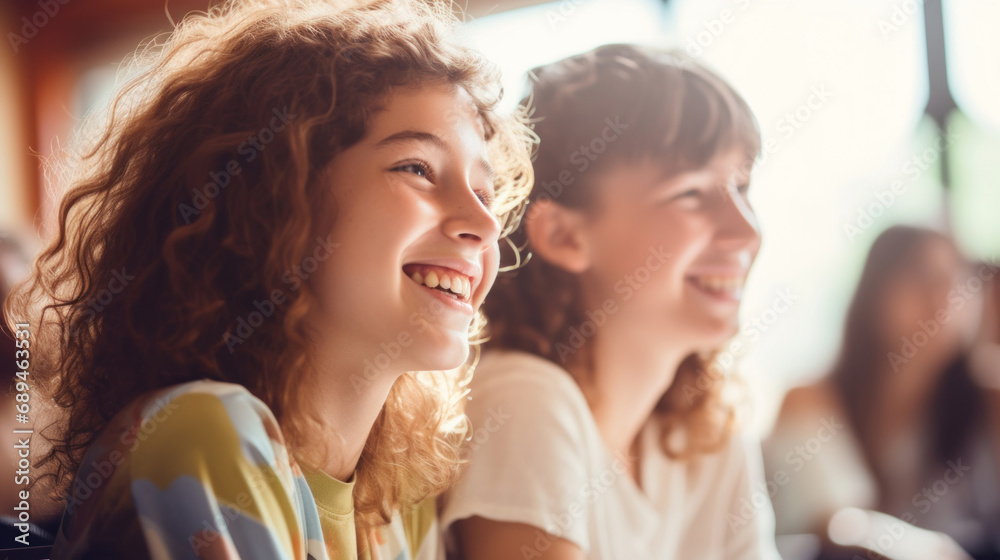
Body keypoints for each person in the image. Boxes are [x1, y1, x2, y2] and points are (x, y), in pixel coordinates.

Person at [2, 0, 534, 558]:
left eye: (484, 192)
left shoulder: (395, 508)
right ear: (274, 198)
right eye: (417, 168)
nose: (483, 224)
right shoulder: (206, 437)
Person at [440, 44, 780, 560]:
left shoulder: (704, 433)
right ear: (564, 235)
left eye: (741, 186)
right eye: (689, 193)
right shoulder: (527, 403)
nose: (745, 232)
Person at [765, 226, 1000, 558]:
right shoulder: (809, 399)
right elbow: (834, 525)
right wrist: (927, 549)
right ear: (875, 291)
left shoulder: (989, 399)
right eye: (921, 277)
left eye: (959, 280)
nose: (945, 297)